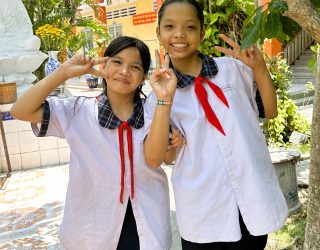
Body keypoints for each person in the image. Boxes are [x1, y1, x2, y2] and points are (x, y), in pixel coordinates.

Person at [10, 36, 185, 250]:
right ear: (104, 65)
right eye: (117, 62)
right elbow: (20, 110)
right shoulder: (77, 111)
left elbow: (165, 157)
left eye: (135, 67)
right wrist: (63, 73)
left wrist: (173, 135)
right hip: (91, 227)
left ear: (143, 77)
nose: (124, 71)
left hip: (146, 223)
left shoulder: (153, 110)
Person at [143, 0, 288, 249]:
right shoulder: (158, 93)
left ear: (201, 33)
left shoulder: (232, 70)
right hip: (203, 208)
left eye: (189, 27)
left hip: (251, 199)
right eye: (169, 26)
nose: (179, 34)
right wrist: (165, 101)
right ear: (158, 33)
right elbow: (158, 159)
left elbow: (271, 111)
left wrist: (260, 68)